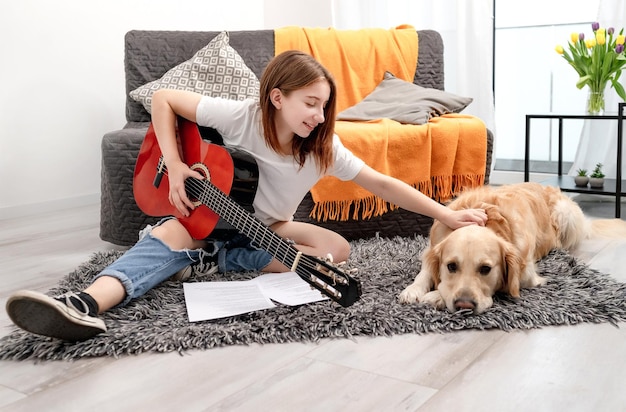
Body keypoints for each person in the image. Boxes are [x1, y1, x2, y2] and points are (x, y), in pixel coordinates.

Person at [6, 51, 487, 341]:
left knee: (334, 251)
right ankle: (83, 305)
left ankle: (212, 259)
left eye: (325, 106)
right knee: (160, 246)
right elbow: (164, 99)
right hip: (205, 217)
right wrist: (174, 165)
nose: (319, 117)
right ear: (277, 97)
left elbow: (382, 184)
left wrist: (450, 214)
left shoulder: (323, 147)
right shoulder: (241, 116)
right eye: (310, 104)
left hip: (265, 226)